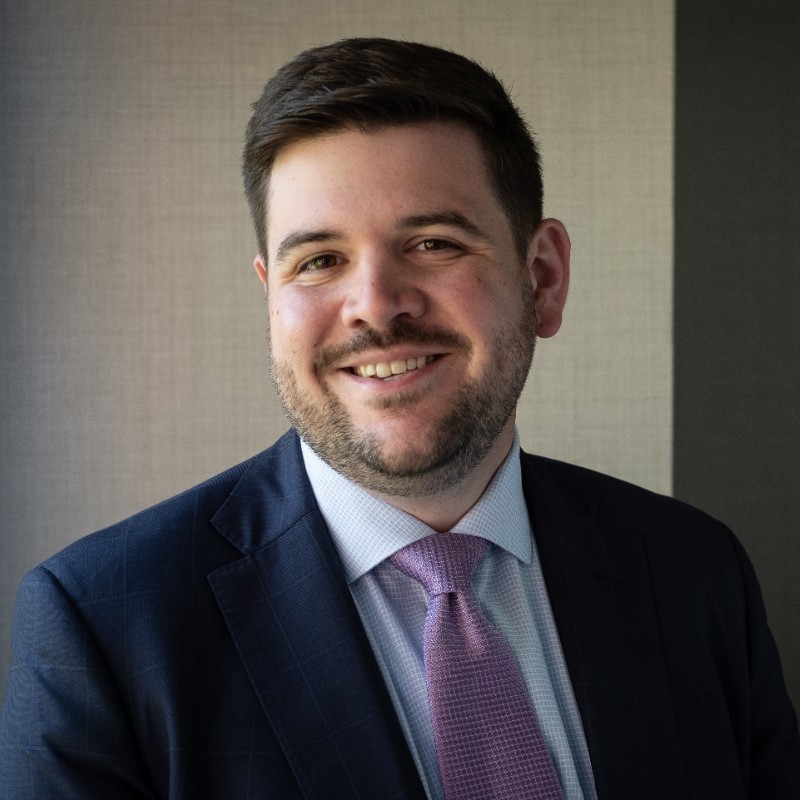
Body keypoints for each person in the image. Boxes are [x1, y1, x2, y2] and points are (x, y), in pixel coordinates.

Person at [1, 37, 798, 800]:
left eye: (432, 243)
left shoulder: (694, 572)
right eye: (319, 260)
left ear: (543, 278)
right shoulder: (107, 625)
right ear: (271, 297)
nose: (376, 305)